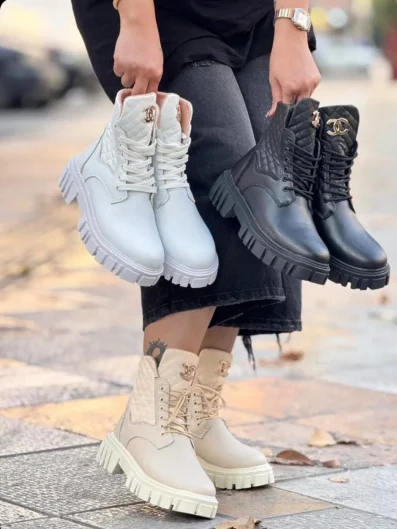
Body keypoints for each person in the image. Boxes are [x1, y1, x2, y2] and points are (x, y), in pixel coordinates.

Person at [71, 0, 320, 519]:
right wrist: (136, 20)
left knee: (262, 179)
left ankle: (193, 411)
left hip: (253, 12)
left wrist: (293, 25)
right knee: (217, 161)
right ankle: (151, 418)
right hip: (161, 11)